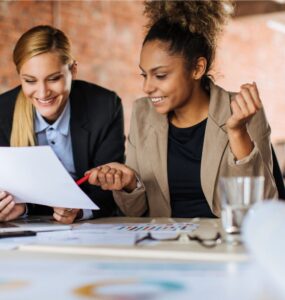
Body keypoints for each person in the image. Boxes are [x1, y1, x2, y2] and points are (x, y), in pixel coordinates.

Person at [86, 0, 278, 218]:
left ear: (197, 68)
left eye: (160, 75)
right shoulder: (143, 113)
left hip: (223, 245)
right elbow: (134, 212)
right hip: (163, 245)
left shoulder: (242, 112)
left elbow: (261, 208)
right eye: (144, 74)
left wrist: (237, 133)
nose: (147, 87)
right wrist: (130, 184)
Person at [0, 25, 125, 224]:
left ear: (73, 70)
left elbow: (111, 190)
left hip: (90, 228)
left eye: (54, 78)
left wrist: (80, 211)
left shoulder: (105, 107)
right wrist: (12, 207)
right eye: (30, 81)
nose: (42, 93)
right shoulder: (3, 111)